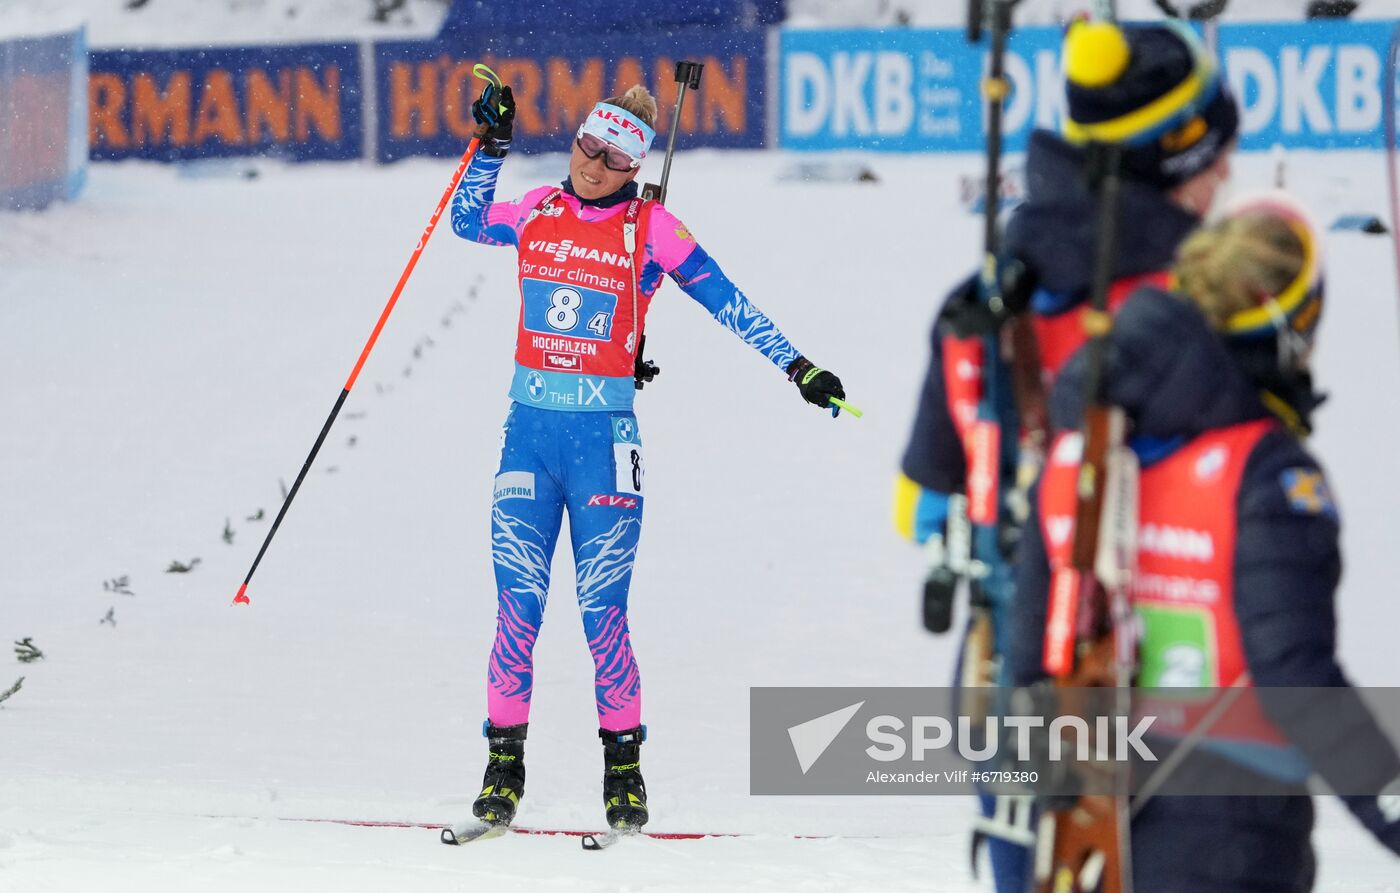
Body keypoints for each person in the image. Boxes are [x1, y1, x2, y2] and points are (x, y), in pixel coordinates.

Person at [893, 19, 1240, 890]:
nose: (1226, 174)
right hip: (1155, 658)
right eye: (1211, 159)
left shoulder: (991, 288)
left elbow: (919, 503)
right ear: (1170, 161)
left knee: (1029, 833)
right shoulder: (1191, 301)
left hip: (1007, 652)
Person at [447, 80, 847, 833]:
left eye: (612, 155)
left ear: (635, 165)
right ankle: (504, 765)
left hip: (604, 445)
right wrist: (491, 147)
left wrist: (798, 367)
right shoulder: (537, 209)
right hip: (528, 435)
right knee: (516, 610)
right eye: (585, 146)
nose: (592, 164)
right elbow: (465, 219)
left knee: (603, 614)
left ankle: (623, 768)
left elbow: (728, 300)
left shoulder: (652, 230)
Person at [1010, 194, 1400, 890]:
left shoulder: (1077, 454)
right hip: (1233, 844)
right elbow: (1298, 683)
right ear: (1289, 329)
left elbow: (1023, 678)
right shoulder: (1268, 475)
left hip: (1094, 841)